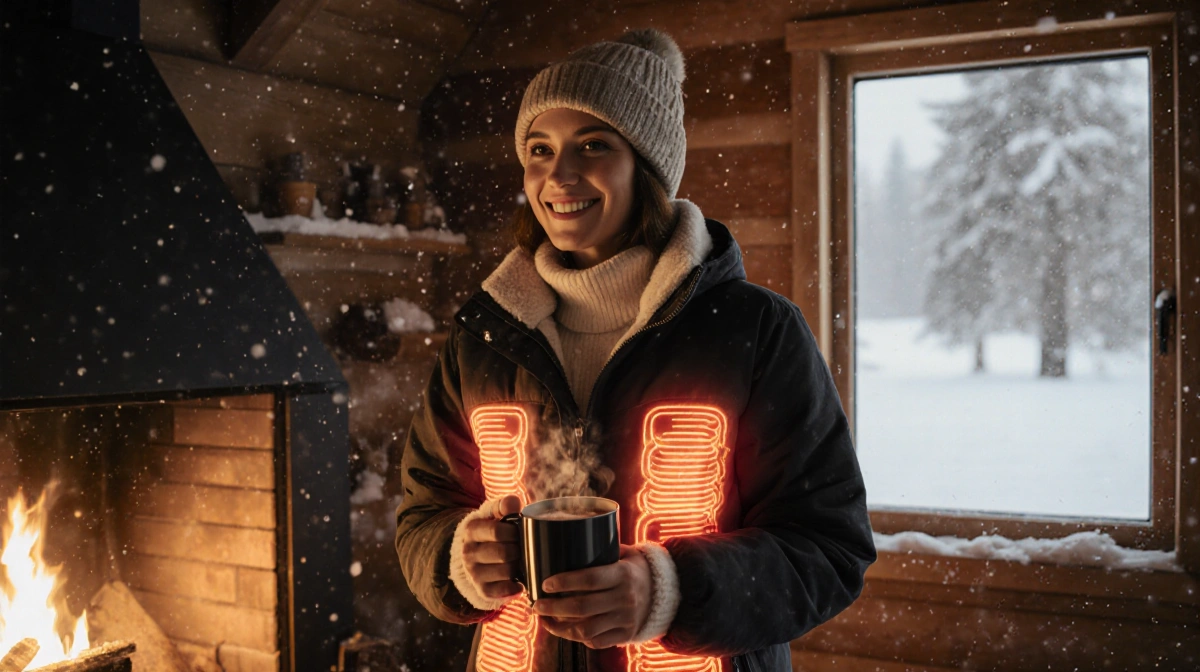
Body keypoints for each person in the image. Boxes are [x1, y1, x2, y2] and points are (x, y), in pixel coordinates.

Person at [395, 28, 875, 672]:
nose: (558, 175)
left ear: (647, 167)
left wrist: (670, 591)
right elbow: (424, 513)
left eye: (593, 145)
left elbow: (828, 548)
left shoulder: (756, 330)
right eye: (539, 150)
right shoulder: (482, 338)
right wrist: (457, 556)